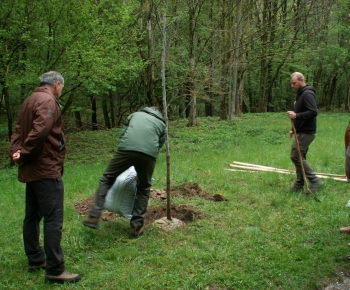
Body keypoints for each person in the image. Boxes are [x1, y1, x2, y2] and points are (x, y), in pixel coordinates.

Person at [9, 71, 81, 284]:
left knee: (32, 216)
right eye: (62, 87)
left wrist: (17, 152)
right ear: (57, 85)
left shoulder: (29, 100)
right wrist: (25, 152)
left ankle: (35, 259)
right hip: (46, 168)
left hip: (32, 170)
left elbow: (18, 130)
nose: (61, 91)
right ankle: (55, 269)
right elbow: (41, 130)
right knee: (53, 218)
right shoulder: (48, 100)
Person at [83, 106, 166, 238]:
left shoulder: (134, 115)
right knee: (143, 188)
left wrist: (124, 149)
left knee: (107, 179)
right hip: (149, 155)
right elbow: (160, 143)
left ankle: (93, 216)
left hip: (126, 149)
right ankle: (136, 228)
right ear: (159, 114)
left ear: (146, 110)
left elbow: (124, 133)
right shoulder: (162, 124)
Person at [287, 72, 323, 193]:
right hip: (301, 131)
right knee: (300, 157)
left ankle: (315, 181)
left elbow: (313, 112)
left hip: (307, 132)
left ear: (301, 80)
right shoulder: (301, 94)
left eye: (294, 83)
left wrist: (296, 115)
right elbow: (303, 113)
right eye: (291, 83)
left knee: (296, 156)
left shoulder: (307, 94)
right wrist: (293, 128)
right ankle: (299, 184)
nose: (292, 86)